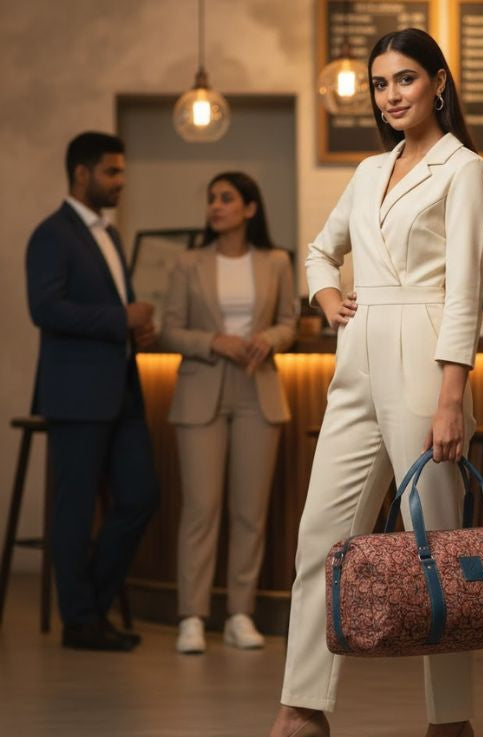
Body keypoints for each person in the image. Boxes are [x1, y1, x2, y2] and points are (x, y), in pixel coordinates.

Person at [231, 29, 483, 737]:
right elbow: (320, 251)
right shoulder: (369, 170)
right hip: (355, 361)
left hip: (425, 358)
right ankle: (301, 710)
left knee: (436, 550)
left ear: (438, 83)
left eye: (405, 79)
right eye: (380, 84)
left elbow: (466, 292)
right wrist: (327, 299)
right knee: (320, 540)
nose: (391, 95)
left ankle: (450, 725)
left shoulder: (465, 170)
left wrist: (452, 397)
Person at [25, 131, 160, 651]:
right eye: (112, 171)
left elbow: (110, 309)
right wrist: (119, 318)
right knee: (75, 510)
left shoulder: (110, 234)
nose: (121, 181)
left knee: (141, 496)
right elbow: (45, 309)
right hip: (77, 393)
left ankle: (90, 609)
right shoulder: (51, 235)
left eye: (122, 171)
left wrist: (136, 330)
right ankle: (80, 622)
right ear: (81, 174)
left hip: (121, 388)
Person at [161, 172, 297, 655]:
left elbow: (290, 322)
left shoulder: (276, 261)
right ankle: (192, 616)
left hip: (258, 390)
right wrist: (214, 341)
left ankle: (241, 613)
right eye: (211, 199)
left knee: (249, 513)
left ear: (250, 208)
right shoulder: (188, 263)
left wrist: (270, 339)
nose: (215, 206)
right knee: (201, 509)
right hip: (202, 388)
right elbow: (169, 331)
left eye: (226, 198)